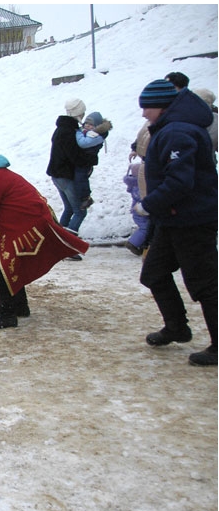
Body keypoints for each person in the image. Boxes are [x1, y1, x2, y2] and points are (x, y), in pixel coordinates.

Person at [0, 145, 90, 329]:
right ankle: (19, 306)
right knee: (9, 264)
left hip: (25, 225)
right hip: (27, 222)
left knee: (4, 266)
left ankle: (7, 314)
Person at [135, 79, 217, 366]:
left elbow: (180, 181)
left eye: (147, 107)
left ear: (162, 106)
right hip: (173, 219)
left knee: (205, 283)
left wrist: (148, 203)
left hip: (192, 219)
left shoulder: (178, 131)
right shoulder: (172, 127)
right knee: (154, 273)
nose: (144, 113)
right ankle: (177, 327)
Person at [46, 98, 91, 254]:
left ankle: (57, 242)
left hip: (57, 175)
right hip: (64, 175)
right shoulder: (69, 132)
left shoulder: (61, 129)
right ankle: (68, 247)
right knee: (80, 211)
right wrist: (90, 160)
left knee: (69, 209)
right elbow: (75, 156)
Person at [73, 111, 113, 210]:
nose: (88, 126)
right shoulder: (87, 132)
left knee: (81, 178)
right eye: (86, 123)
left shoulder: (97, 136)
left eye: (91, 124)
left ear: (97, 126)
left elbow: (83, 143)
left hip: (86, 162)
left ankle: (85, 198)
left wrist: (77, 132)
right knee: (78, 178)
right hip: (82, 160)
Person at [123, 161, 149, 256]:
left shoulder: (132, 184)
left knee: (146, 227)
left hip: (137, 211)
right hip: (140, 211)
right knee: (145, 228)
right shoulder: (139, 187)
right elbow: (144, 197)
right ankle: (133, 243)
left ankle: (143, 244)